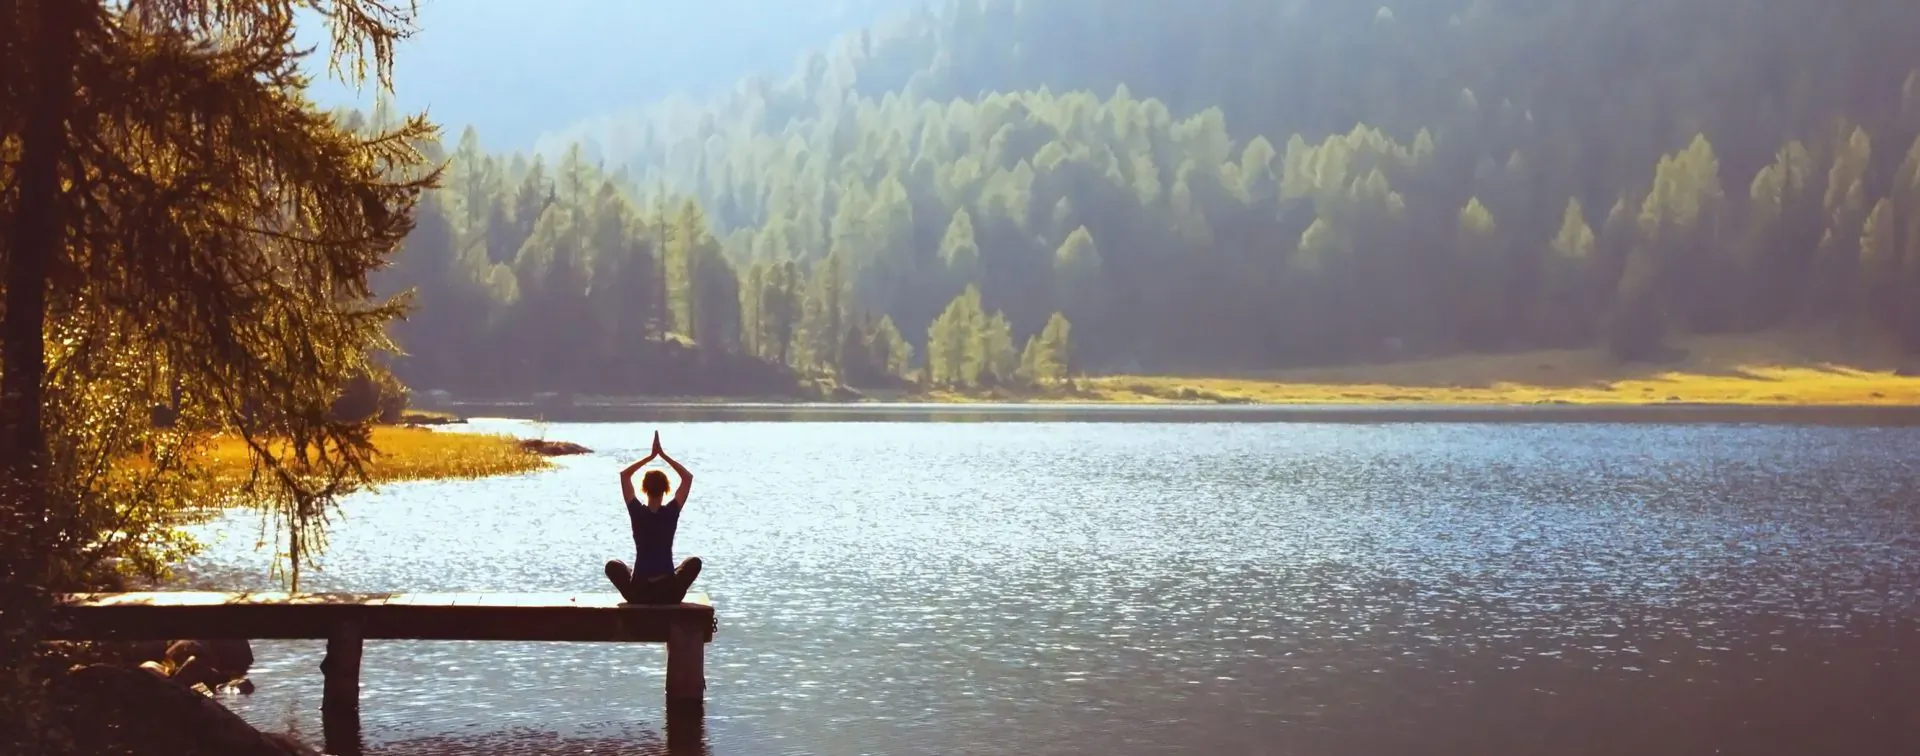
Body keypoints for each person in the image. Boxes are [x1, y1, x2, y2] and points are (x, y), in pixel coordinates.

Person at [605, 431, 701, 604]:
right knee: (694, 562)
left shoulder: (637, 512)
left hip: (639, 592)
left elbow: (624, 475)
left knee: (613, 565)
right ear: (666, 490)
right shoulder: (671, 512)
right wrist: (663, 455)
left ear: (644, 489)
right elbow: (687, 478)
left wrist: (650, 457)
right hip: (669, 593)